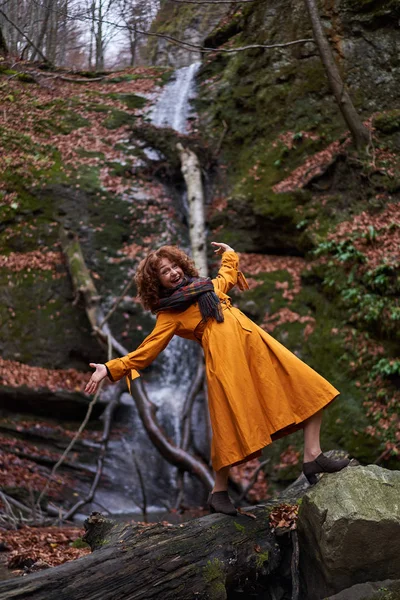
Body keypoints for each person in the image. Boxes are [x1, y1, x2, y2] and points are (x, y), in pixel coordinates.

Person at [85, 241, 349, 515]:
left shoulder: (207, 287)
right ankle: (218, 492)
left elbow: (228, 276)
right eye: (165, 271)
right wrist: (110, 367)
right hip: (226, 365)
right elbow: (147, 350)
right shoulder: (169, 315)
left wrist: (230, 253)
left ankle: (312, 455)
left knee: (308, 386)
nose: (173, 272)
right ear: (157, 282)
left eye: (175, 265)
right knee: (228, 425)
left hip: (257, 349)